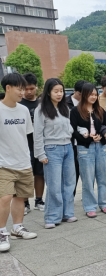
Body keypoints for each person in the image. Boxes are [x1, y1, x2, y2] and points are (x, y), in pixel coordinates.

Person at [0, 73, 38, 252]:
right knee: (5, 197)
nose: (23, 92)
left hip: (23, 161)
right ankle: (2, 232)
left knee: (20, 197)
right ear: (8, 88)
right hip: (3, 163)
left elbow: (27, 135)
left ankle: (17, 227)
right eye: (20, 89)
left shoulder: (23, 110)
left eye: (24, 89)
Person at [34, 78, 77, 229]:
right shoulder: (41, 110)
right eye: (56, 91)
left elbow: (69, 127)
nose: (59, 94)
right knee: (54, 184)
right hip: (52, 149)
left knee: (69, 183)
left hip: (68, 147)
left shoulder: (65, 108)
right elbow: (37, 134)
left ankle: (67, 213)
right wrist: (41, 154)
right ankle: (52, 217)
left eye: (61, 91)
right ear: (48, 92)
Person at [70, 83, 106, 218]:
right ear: (84, 95)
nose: (93, 97)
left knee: (103, 177)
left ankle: (105, 204)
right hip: (84, 148)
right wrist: (88, 139)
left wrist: (102, 135)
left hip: (101, 147)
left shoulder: (100, 110)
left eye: (95, 94)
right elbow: (72, 131)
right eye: (90, 94)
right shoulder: (76, 111)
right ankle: (89, 207)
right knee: (87, 179)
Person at [19, 73, 45, 215]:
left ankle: (39, 200)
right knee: (26, 175)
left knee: (40, 174)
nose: (28, 92)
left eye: (31, 89)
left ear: (36, 87)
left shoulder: (42, 104)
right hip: (24, 145)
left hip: (39, 144)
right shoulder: (19, 104)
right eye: (26, 89)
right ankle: (24, 203)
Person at [66, 79, 87, 196]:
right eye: (80, 94)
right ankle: (70, 197)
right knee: (71, 173)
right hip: (70, 144)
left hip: (83, 143)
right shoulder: (65, 103)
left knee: (84, 172)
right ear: (75, 91)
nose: (83, 97)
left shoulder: (88, 104)